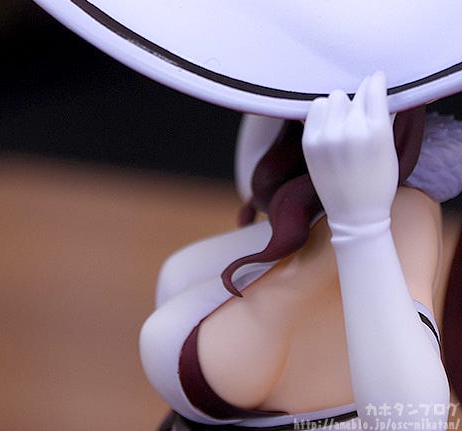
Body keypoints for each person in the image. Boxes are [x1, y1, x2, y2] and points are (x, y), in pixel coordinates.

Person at [141, 73, 460, 430]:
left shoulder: (401, 213)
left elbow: (414, 423)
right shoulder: (323, 182)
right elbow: (255, 177)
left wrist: (361, 224)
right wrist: (283, 76)